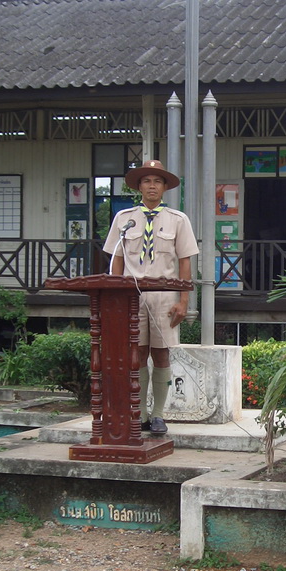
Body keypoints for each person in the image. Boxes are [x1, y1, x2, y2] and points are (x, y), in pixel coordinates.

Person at [103, 160, 199, 435]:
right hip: (132, 295)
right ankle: (140, 414)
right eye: (147, 181)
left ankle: (158, 414)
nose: (152, 186)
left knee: (161, 354)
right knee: (136, 354)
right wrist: (116, 296)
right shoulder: (125, 219)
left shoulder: (178, 220)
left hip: (164, 296)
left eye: (157, 181)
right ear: (139, 187)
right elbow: (117, 259)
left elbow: (185, 262)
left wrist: (183, 301)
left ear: (165, 187)